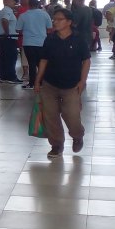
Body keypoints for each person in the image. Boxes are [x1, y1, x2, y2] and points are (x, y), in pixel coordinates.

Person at [34, 8, 90, 160]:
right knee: (50, 116)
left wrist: (82, 81)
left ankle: (77, 135)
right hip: (50, 84)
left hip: (72, 85)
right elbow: (44, 60)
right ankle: (56, 144)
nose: (55, 22)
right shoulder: (50, 39)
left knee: (72, 115)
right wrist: (38, 80)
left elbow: (86, 60)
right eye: (54, 19)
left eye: (59, 19)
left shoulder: (79, 39)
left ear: (69, 22)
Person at [17, 0, 52, 89]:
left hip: (28, 43)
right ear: (38, 4)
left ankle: (32, 83)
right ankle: (44, 82)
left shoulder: (23, 15)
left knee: (31, 64)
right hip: (42, 42)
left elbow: (18, 29)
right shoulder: (45, 14)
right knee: (41, 63)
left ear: (29, 5)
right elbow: (49, 28)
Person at [0, 0, 20, 84]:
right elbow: (4, 20)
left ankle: (4, 77)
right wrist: (7, 32)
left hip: (2, 38)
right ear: (7, 2)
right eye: (13, 1)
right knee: (11, 57)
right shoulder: (7, 10)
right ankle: (11, 77)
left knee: (4, 57)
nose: (14, 2)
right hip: (8, 38)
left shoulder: (2, 11)